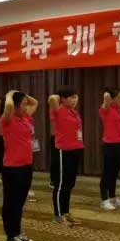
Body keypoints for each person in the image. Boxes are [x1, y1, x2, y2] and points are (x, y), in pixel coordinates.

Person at [0, 91, 39, 241]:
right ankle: (11, 234)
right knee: (11, 202)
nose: (26, 106)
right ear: (14, 106)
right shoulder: (7, 120)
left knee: (20, 202)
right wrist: (10, 95)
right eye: (23, 104)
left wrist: (22, 95)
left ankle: (17, 231)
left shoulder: (25, 118)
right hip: (12, 167)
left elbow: (35, 102)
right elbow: (9, 105)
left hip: (26, 165)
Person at [48, 87, 83, 227]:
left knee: (69, 185)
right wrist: (61, 96)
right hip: (63, 151)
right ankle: (58, 215)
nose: (75, 100)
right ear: (63, 99)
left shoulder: (73, 112)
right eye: (71, 97)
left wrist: (70, 99)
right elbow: (52, 98)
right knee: (61, 185)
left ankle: (66, 213)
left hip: (76, 150)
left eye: (76, 97)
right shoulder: (58, 110)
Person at [99, 87, 120, 210]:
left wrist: (119, 95)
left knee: (114, 174)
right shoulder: (105, 109)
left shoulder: (118, 107)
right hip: (109, 146)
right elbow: (106, 97)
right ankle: (104, 200)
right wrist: (109, 95)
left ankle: (112, 198)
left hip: (119, 144)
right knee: (107, 173)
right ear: (111, 99)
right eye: (118, 97)